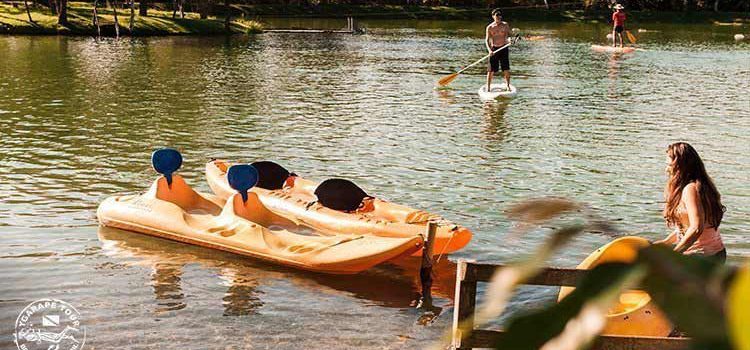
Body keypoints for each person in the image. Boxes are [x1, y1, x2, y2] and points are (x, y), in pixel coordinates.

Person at [655, 142, 727, 264]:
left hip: (704, 258)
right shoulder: (694, 187)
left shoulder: (691, 189)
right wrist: (665, 242)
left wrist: (674, 254)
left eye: (669, 165)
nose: (666, 169)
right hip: (710, 254)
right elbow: (687, 227)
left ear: (680, 167)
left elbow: (696, 228)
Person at [485, 8, 511, 92]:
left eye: (500, 15)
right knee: (491, 70)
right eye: (497, 15)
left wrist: (509, 40)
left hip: (504, 48)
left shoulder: (505, 25)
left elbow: (507, 36)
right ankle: (488, 87)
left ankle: (507, 86)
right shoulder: (490, 27)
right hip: (494, 49)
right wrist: (489, 50)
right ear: (493, 16)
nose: (499, 17)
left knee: (506, 68)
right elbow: (486, 40)